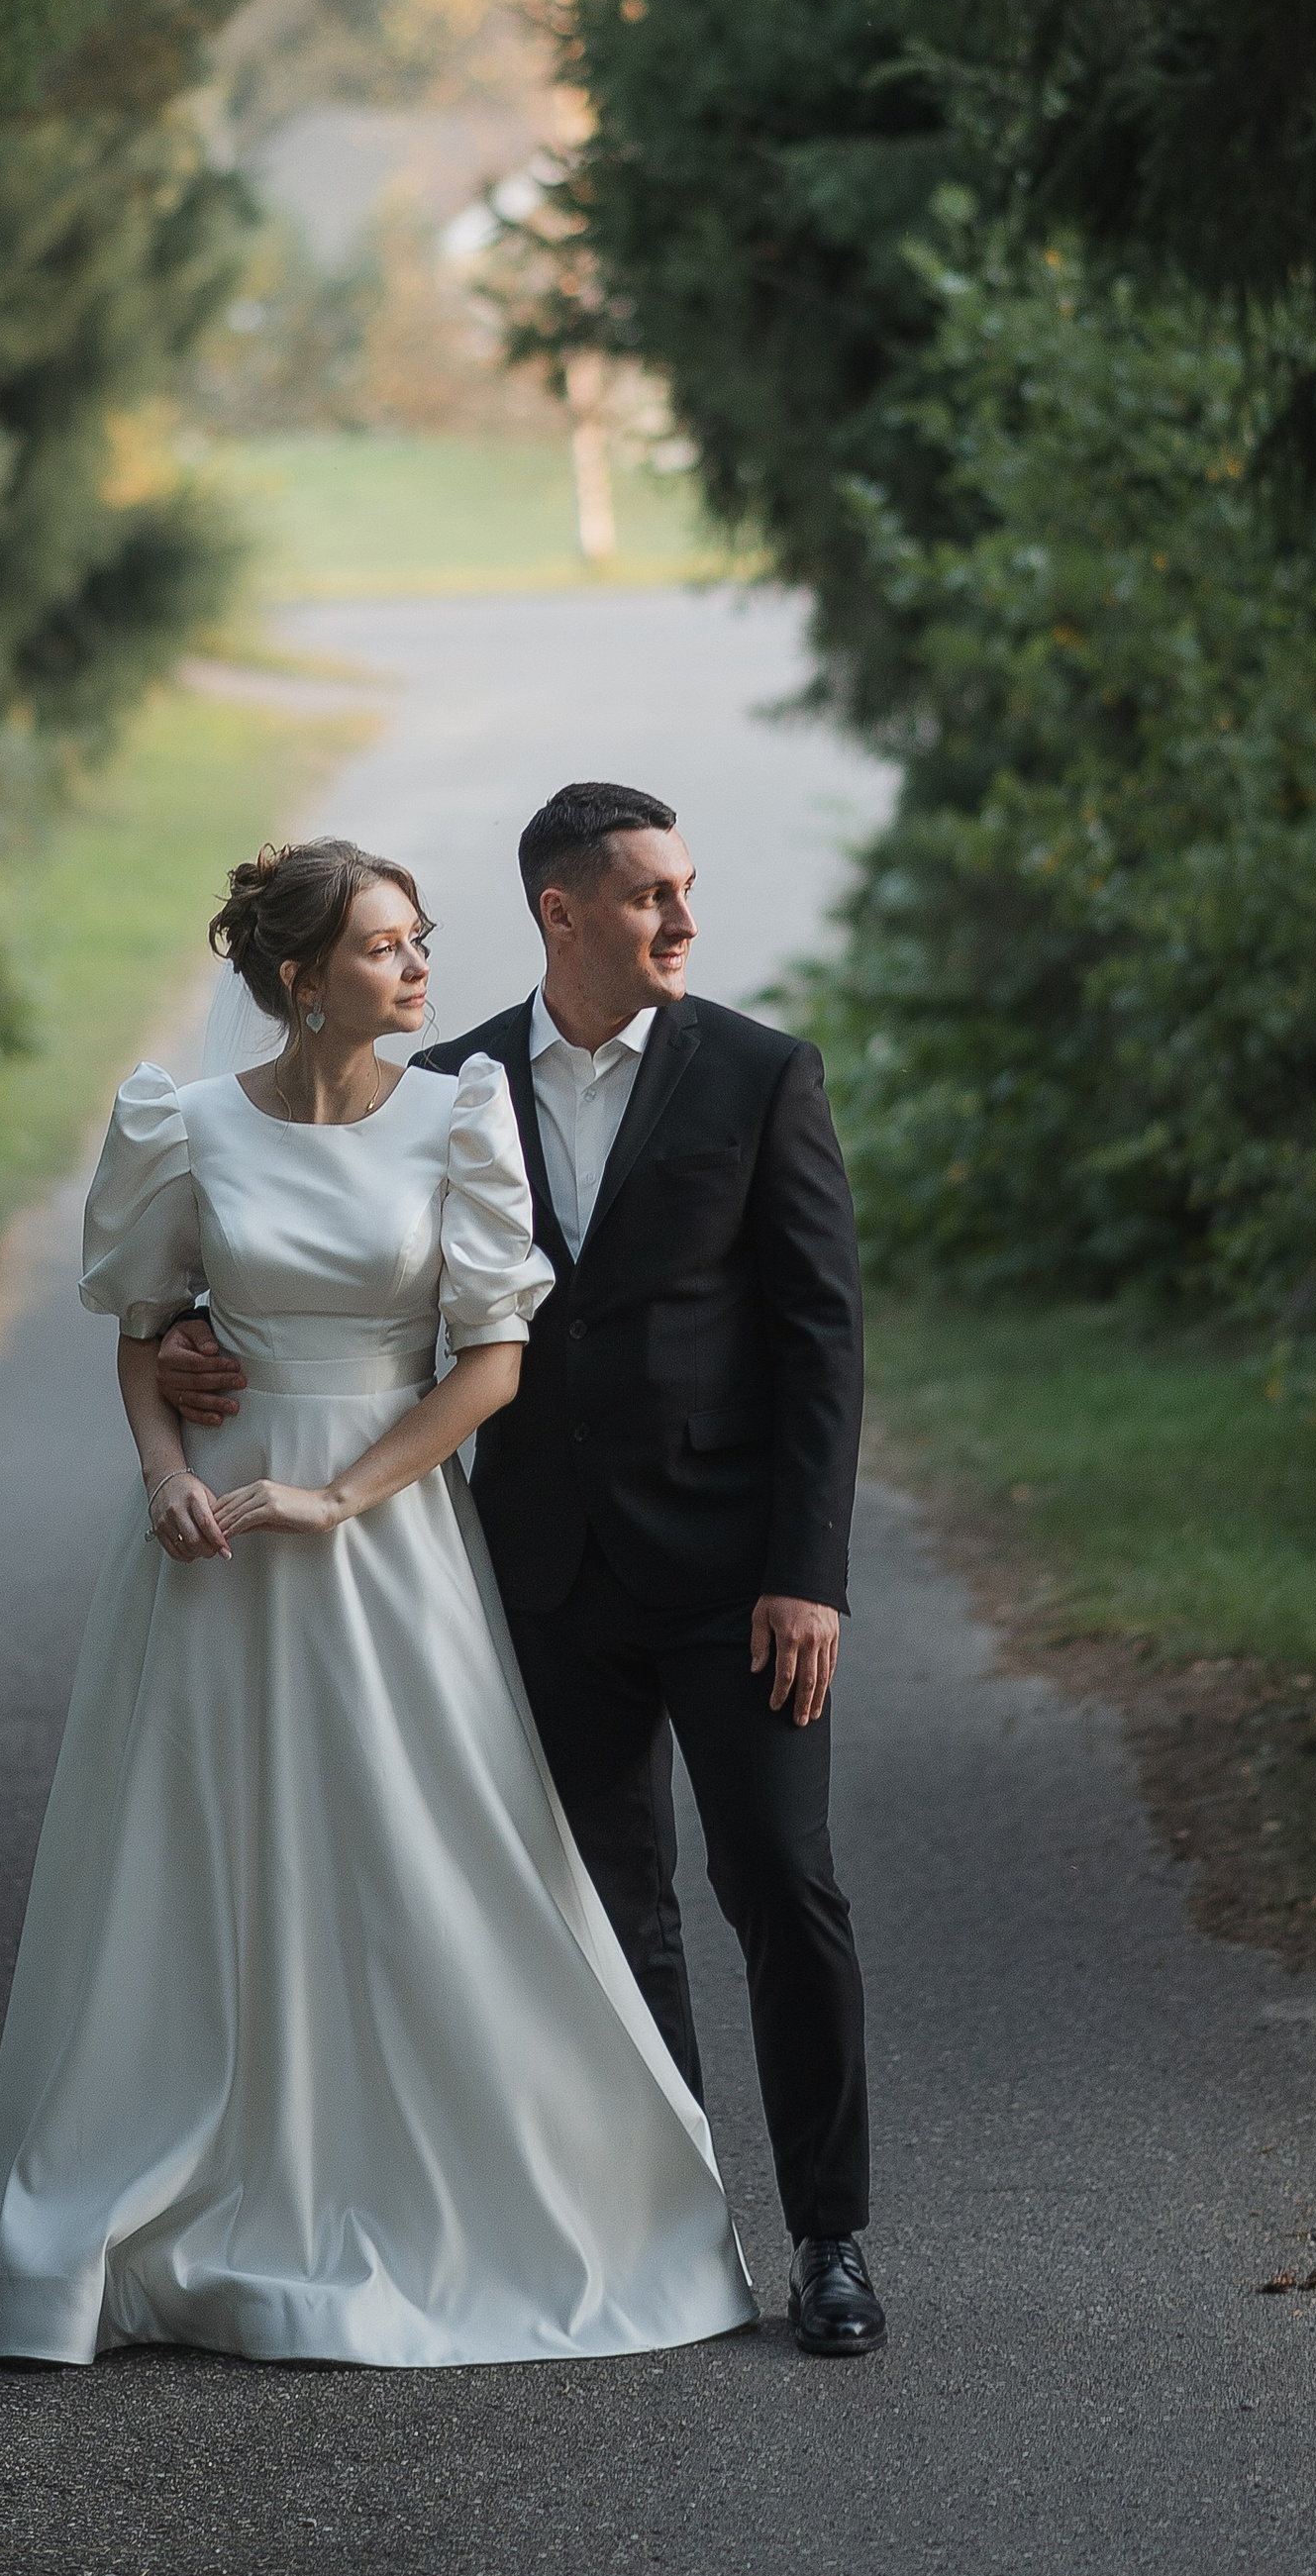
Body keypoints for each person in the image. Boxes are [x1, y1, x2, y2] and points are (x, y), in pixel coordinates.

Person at [0, 835, 756, 2370]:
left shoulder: (459, 1120)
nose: (419, 966)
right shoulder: (183, 1127)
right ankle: (196, 2187)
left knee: (426, 1850)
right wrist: (162, 1470)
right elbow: (143, 1329)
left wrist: (340, 1494)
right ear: (302, 980)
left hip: (384, 1533)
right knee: (199, 1861)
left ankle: (467, 2184)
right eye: (386, 947)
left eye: (419, 938)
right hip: (212, 1543)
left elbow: (493, 1360)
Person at [157, 784, 883, 2360]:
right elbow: (377, 1292)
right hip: (533, 1577)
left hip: (736, 1577)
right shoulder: (448, 1083)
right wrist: (202, 1342)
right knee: (607, 1917)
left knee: (782, 1882)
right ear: (563, 913)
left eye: (686, 892)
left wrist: (808, 1572)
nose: (683, 922)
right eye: (646, 899)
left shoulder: (761, 1075)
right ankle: (677, 2227)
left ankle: (832, 2237)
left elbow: (822, 1338)